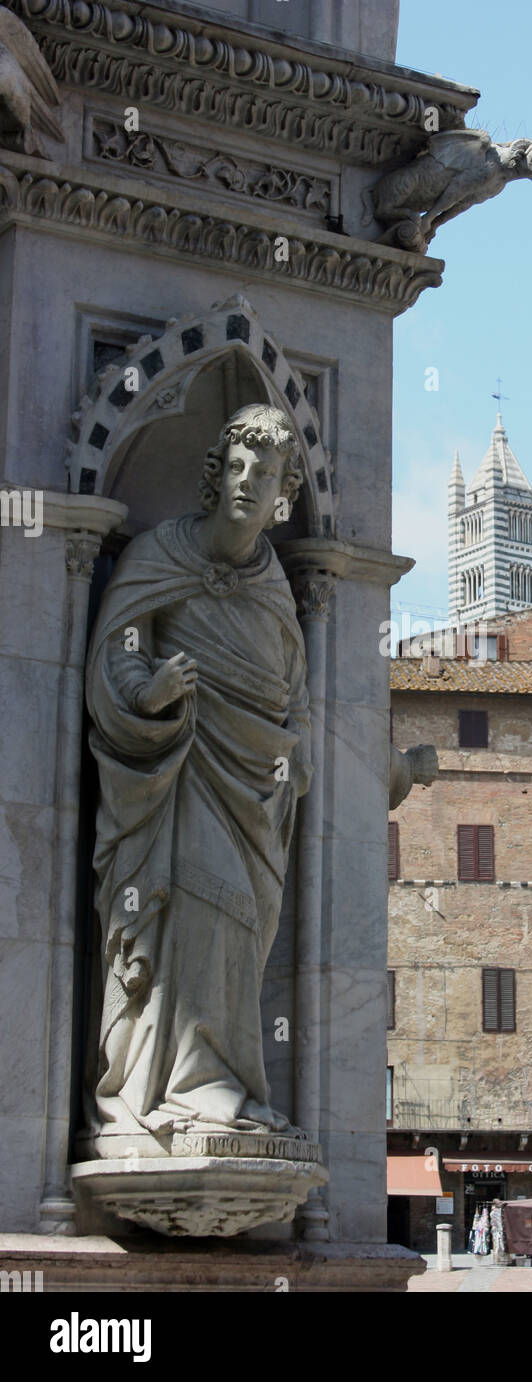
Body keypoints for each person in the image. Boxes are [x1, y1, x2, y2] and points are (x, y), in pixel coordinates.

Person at [84, 405, 312, 1142]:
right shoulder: (162, 552)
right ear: (217, 477)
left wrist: (292, 760)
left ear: (284, 491)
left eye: (268, 472)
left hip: (258, 794)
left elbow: (296, 693)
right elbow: (122, 637)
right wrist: (146, 693)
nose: (251, 483)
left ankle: (231, 1086)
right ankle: (178, 1089)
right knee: (197, 918)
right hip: (181, 775)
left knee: (242, 936)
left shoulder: (277, 584)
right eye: (240, 467)